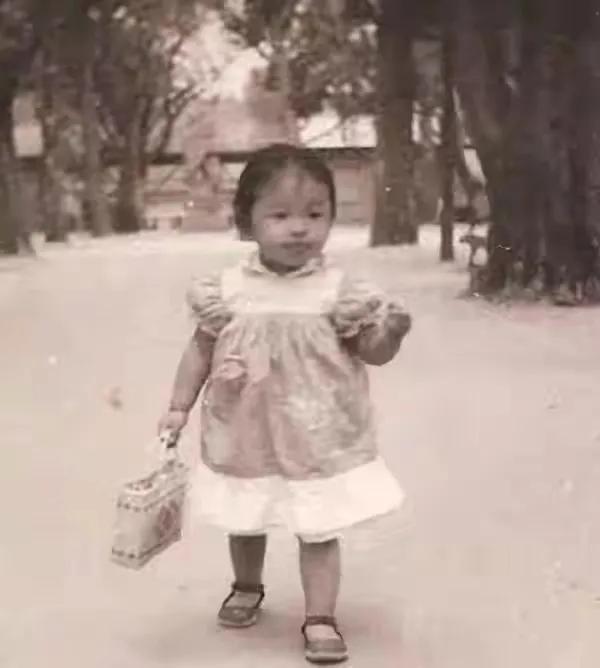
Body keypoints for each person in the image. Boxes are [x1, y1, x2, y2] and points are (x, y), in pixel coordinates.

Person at [158, 143, 411, 664]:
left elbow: (372, 353)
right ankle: (246, 585)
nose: (299, 229)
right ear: (247, 222)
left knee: (317, 527)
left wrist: (390, 335)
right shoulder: (226, 290)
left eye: (315, 215)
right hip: (246, 429)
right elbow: (199, 351)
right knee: (245, 516)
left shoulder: (340, 291)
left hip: (315, 434)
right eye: (280, 216)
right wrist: (179, 406)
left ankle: (320, 616)